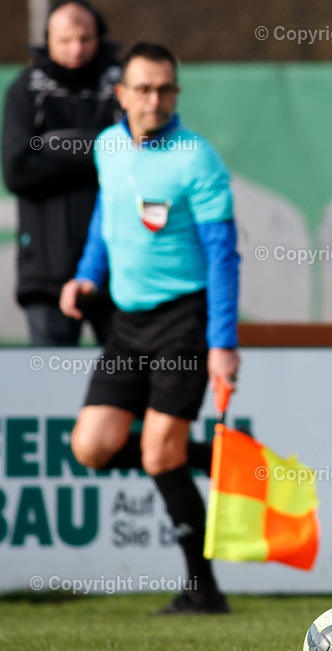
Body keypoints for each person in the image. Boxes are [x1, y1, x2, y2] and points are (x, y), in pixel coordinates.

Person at [59, 42, 240, 615]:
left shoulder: (197, 158)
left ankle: (203, 591)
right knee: (91, 447)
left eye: (165, 88)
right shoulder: (108, 147)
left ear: (176, 94)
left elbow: (223, 255)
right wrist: (86, 276)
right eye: (143, 88)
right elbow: (104, 222)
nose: (154, 98)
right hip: (125, 320)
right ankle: (202, 453)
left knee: (160, 455)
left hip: (183, 320)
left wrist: (222, 343)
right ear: (122, 94)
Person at [2, 0, 120, 346]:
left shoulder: (125, 85)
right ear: (47, 39)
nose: (76, 49)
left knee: (125, 388)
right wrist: (96, 150)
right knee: (49, 389)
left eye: (84, 38)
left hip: (116, 272)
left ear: (99, 37)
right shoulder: (25, 90)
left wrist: (52, 145)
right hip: (47, 272)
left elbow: (134, 159)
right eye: (65, 39)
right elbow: (17, 170)